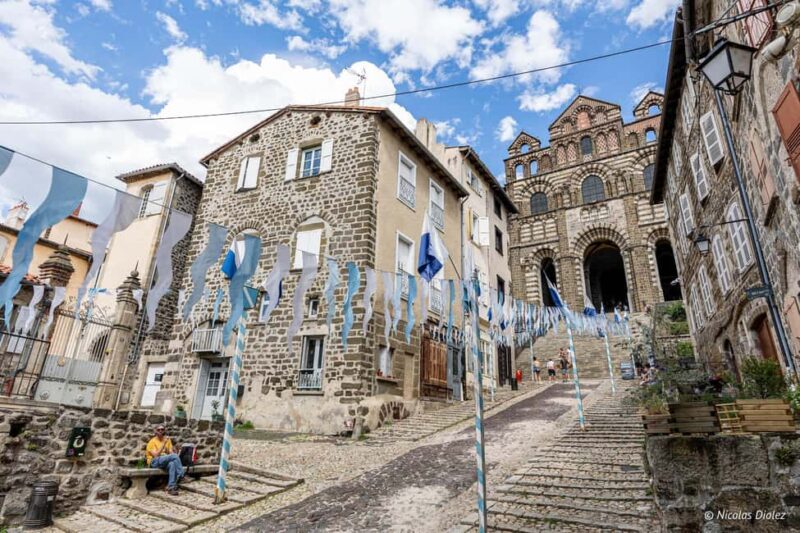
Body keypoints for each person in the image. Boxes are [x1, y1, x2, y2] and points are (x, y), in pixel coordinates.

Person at [146, 425, 185, 495]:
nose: (160, 431)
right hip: (154, 461)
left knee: (172, 464)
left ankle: (171, 487)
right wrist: (163, 444)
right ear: (155, 431)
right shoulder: (152, 442)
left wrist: (175, 452)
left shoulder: (168, 440)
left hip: (164, 461)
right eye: (158, 430)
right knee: (174, 457)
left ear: (164, 430)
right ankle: (181, 474)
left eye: (162, 429)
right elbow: (155, 455)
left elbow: (171, 453)